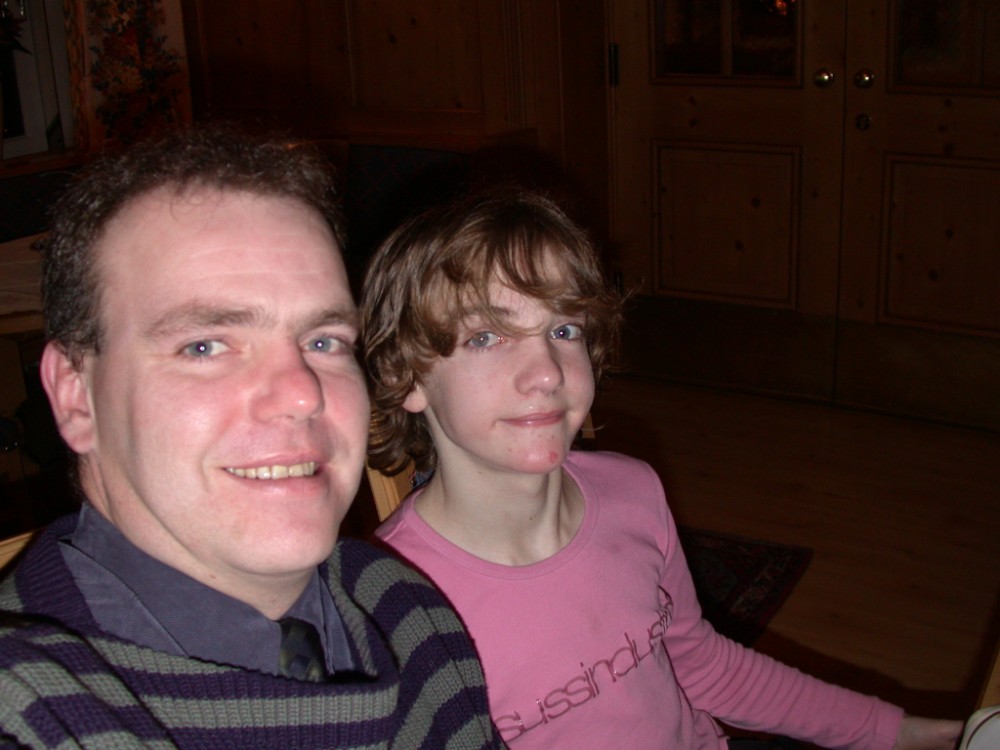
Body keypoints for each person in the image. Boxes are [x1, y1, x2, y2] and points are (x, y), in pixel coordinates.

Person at [360, 188, 964, 750]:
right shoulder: (388, 609)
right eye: (488, 337)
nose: (546, 371)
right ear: (405, 377)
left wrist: (896, 731)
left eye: (563, 329)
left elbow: (703, 666)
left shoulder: (633, 493)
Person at [0, 126, 504, 749]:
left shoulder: (403, 611)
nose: (301, 393)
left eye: (323, 341)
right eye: (205, 346)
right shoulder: (32, 715)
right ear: (76, 396)